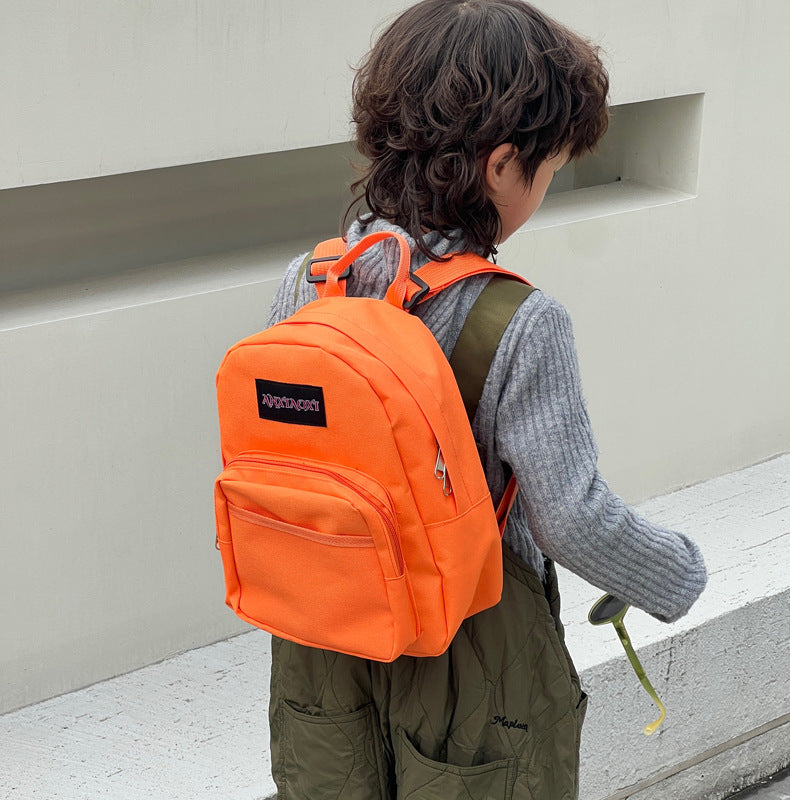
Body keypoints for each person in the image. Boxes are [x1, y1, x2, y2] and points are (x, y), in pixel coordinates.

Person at [265, 2, 707, 798]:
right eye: (547, 169)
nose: (544, 188)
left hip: (326, 632)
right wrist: (675, 574)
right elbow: (568, 518)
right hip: (470, 656)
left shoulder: (309, 281)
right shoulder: (517, 319)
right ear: (501, 166)